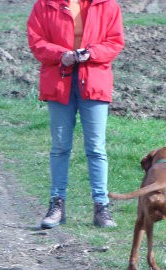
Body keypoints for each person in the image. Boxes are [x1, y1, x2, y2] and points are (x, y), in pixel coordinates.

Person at [27, 0, 124, 229]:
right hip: (59, 82)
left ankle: (102, 207)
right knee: (60, 146)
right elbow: (36, 41)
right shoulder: (45, 5)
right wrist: (62, 55)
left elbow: (115, 41)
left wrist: (90, 53)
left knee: (96, 148)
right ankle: (57, 205)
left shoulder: (107, 5)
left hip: (94, 82)